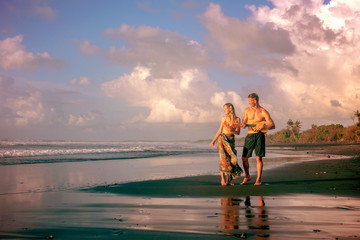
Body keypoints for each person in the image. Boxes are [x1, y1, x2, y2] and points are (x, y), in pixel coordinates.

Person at [240, 93, 275, 186]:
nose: (249, 103)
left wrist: (264, 126)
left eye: (250, 101)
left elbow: (272, 125)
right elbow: (244, 122)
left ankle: (258, 179)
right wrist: (243, 124)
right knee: (244, 158)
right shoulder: (247, 111)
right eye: (248, 101)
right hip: (250, 135)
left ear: (255, 101)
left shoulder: (263, 111)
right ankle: (247, 176)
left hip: (260, 135)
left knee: (258, 158)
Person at [210, 103, 243, 186]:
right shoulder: (223, 118)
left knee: (232, 159)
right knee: (223, 159)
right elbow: (220, 130)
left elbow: (238, 132)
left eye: (225, 109)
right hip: (222, 140)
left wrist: (232, 131)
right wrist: (213, 141)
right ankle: (223, 180)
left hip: (231, 140)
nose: (224, 111)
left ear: (230, 108)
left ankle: (229, 180)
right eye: (224, 109)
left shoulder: (237, 119)